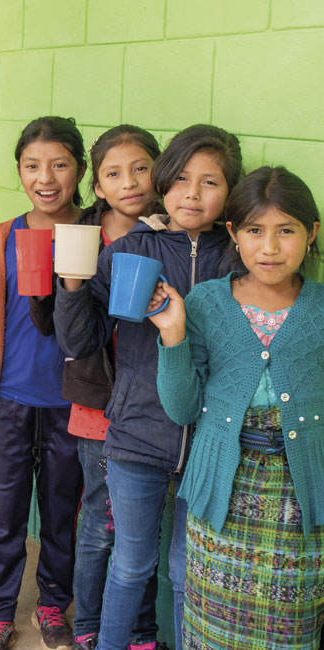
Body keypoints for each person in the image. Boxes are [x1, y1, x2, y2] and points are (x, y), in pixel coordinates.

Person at [54, 124, 243, 650]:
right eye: (181, 179)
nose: (192, 193)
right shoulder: (131, 248)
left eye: (210, 182)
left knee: (188, 573)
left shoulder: (238, 256)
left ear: (230, 192)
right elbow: (81, 340)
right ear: (165, 182)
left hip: (211, 443)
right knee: (131, 564)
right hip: (137, 432)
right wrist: (71, 284)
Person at [152, 166, 324, 649]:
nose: (269, 247)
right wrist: (173, 334)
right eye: (254, 230)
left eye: (286, 230)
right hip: (222, 493)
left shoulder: (321, 310)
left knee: (291, 627)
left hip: (301, 498)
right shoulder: (206, 302)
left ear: (311, 234)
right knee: (214, 627)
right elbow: (182, 408)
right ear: (233, 233)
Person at [0, 116, 85, 650]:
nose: (45, 177)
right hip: (6, 396)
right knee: (0, 512)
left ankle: (53, 606)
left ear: (80, 170)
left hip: (72, 400)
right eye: (32, 165)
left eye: (59, 164)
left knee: (61, 509)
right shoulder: (3, 235)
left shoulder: (93, 230)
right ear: (19, 172)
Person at [29, 125, 165, 650]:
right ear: (98, 185)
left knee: (143, 525)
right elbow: (58, 329)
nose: (129, 182)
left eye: (140, 168)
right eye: (114, 173)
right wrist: (67, 278)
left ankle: (139, 631)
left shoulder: (174, 233)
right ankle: (87, 624)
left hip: (153, 405)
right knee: (102, 519)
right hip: (97, 401)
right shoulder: (79, 231)